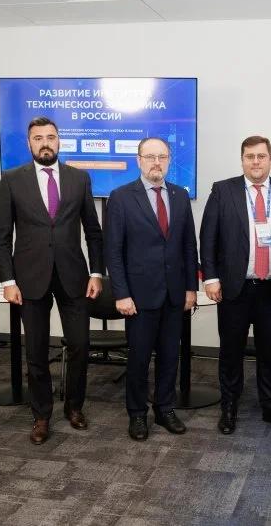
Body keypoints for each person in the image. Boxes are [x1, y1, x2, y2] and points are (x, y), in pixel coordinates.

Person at [0, 116, 103, 444]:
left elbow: (93, 231)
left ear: (59, 141)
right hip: (29, 278)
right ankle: (41, 415)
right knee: (36, 351)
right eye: (38, 138)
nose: (45, 143)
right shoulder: (12, 180)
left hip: (74, 276)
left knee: (80, 346)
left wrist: (96, 272)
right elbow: (2, 236)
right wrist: (8, 281)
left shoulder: (79, 178)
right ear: (29, 143)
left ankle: (74, 407)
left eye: (51, 137)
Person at [200, 135, 271, 435]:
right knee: (231, 352)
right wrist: (211, 277)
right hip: (235, 288)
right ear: (242, 160)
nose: (255, 162)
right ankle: (229, 408)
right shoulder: (223, 190)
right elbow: (208, 237)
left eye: (261, 156)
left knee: (270, 353)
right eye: (250, 156)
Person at [104, 137, 198, 441]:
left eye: (162, 157)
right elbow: (113, 252)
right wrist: (121, 293)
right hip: (139, 296)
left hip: (174, 294)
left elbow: (189, 246)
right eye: (150, 157)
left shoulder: (180, 195)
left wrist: (191, 288)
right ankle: (137, 414)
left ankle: (165, 408)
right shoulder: (120, 197)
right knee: (139, 359)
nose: (156, 162)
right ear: (139, 160)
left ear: (169, 160)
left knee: (170, 356)